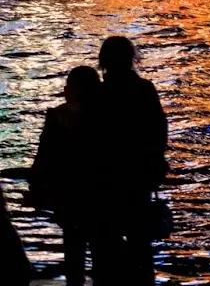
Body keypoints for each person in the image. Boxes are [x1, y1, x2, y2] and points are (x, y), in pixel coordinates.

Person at [94, 36, 168, 286]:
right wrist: (155, 163)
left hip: (106, 177)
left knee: (106, 241)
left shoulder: (99, 94)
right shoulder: (145, 90)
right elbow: (159, 131)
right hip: (138, 174)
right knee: (139, 240)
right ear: (131, 59)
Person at [29, 65, 104, 286]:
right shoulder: (105, 118)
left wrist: (36, 188)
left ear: (72, 89)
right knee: (102, 254)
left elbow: (44, 156)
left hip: (67, 195)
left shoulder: (56, 116)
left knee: (73, 252)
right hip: (99, 194)